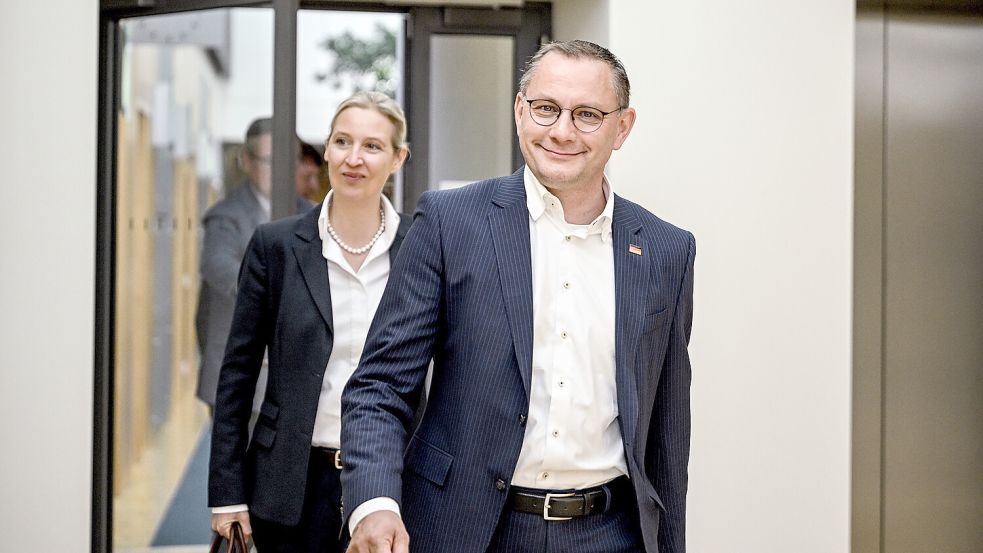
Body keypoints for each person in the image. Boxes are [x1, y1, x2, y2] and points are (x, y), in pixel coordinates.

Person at [341, 40, 695, 553]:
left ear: (623, 127)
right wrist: (374, 504)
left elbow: (668, 430)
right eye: (545, 108)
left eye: (588, 115)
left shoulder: (666, 250)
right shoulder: (450, 223)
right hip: (466, 530)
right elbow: (379, 386)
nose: (561, 131)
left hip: (610, 534)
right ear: (519, 111)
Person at [208, 91, 412, 553]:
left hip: (392, 486)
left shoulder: (421, 249)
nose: (353, 159)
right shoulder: (275, 246)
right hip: (291, 485)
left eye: (372, 146)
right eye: (342, 141)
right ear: (326, 150)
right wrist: (227, 493)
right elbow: (237, 373)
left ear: (398, 158)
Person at [196, 120, 320, 413]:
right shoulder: (226, 215)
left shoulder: (312, 215)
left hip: (296, 379)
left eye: (290, 160)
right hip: (240, 378)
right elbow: (218, 266)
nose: (282, 169)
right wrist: (276, 287)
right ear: (247, 162)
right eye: (270, 160)